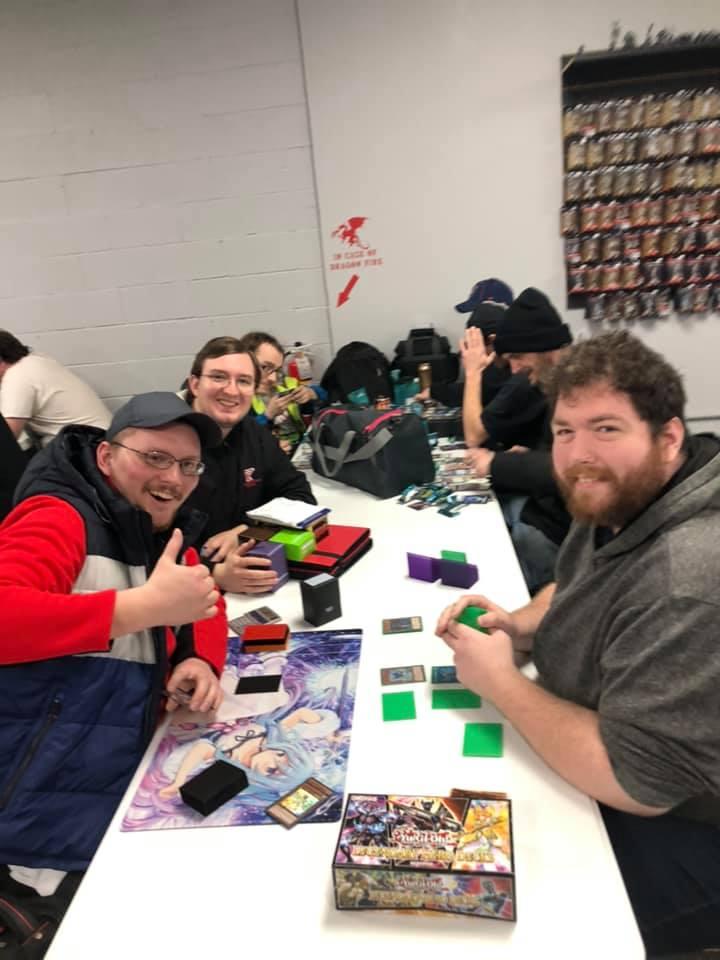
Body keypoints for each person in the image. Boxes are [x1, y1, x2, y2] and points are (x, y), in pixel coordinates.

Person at [437, 331, 720, 956]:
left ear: (669, 437)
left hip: (685, 825)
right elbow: (574, 583)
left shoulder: (686, 578)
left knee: (503, 924)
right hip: (630, 756)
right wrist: (520, 624)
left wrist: (500, 681)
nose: (578, 455)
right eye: (565, 432)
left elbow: (636, 779)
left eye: (606, 429)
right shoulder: (631, 496)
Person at [0, 392, 227, 900]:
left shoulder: (159, 528)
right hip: (38, 819)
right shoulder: (59, 517)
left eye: (188, 465)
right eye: (155, 457)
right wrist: (140, 609)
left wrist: (197, 659)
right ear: (106, 456)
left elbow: (205, 599)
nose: (174, 478)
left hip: (126, 775)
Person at [180, 336, 316, 594]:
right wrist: (214, 574)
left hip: (255, 579)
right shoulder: (166, 443)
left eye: (243, 381)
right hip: (191, 591)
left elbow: (300, 496)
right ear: (195, 384)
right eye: (218, 377)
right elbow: (145, 545)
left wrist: (248, 531)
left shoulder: (253, 433)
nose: (232, 391)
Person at [465, 288, 573, 593]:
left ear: (544, 348)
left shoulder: (579, 389)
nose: (514, 369)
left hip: (561, 529)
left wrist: (497, 463)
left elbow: (573, 466)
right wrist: (531, 454)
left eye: (517, 357)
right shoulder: (555, 381)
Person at [0, 330, 111, 450]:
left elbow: (8, 439)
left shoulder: (17, 377)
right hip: (99, 439)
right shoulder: (35, 360)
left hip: (88, 446)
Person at [239, 331, 326, 454]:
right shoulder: (237, 400)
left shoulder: (285, 383)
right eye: (265, 367)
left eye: (277, 370)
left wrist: (312, 393)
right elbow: (242, 440)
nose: (273, 378)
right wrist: (267, 416)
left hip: (300, 447)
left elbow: (326, 396)